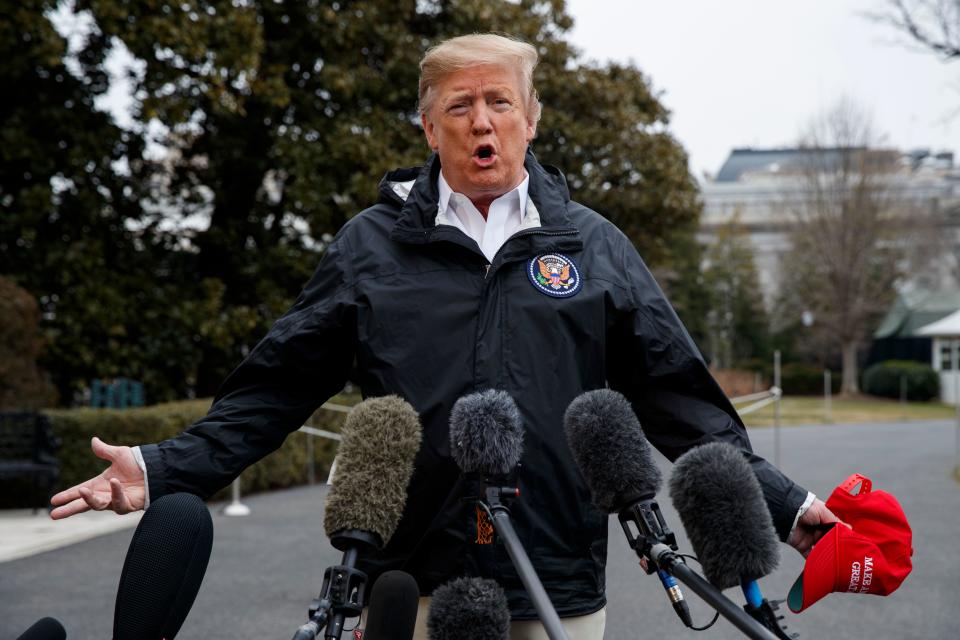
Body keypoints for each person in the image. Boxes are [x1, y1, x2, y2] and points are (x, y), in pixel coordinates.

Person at [51, 34, 837, 640]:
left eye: (500, 101)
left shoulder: (594, 248)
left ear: (531, 121)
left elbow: (680, 399)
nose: (482, 121)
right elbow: (277, 385)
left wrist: (787, 506)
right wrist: (160, 466)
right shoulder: (369, 247)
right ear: (429, 127)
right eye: (459, 106)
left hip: (556, 583)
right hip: (406, 585)